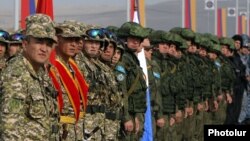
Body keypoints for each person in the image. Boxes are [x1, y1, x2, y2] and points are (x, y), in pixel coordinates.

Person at [0, 14, 59, 141]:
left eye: (49, 44)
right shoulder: (17, 74)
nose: (44, 49)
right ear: (25, 44)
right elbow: (10, 128)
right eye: (39, 42)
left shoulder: (40, 72)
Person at [48, 22, 88, 141]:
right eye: (69, 40)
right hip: (60, 131)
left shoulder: (73, 65)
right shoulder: (51, 66)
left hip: (76, 129)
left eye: (76, 40)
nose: (73, 44)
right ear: (58, 39)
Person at [117, 22, 147, 141]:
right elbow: (122, 90)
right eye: (132, 38)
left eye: (138, 39)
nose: (135, 42)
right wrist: (126, 117)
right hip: (129, 113)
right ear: (125, 39)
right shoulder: (123, 59)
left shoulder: (132, 59)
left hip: (136, 112)